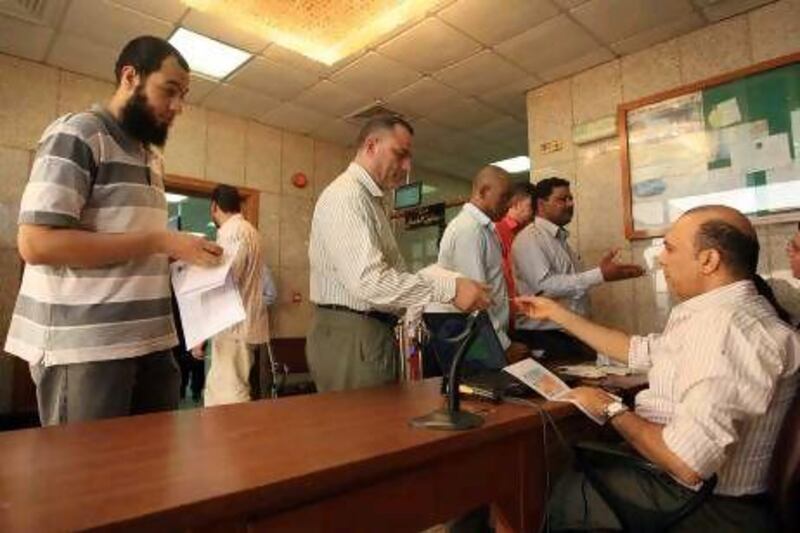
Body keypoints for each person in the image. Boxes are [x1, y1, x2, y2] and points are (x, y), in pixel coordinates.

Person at [517, 205, 800, 531]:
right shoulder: (728, 314)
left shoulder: (727, 329)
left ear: (709, 260)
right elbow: (637, 350)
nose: (661, 259)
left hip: (709, 506)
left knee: (554, 482)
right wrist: (556, 313)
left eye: (670, 247)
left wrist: (610, 408)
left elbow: (687, 461)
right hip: (698, 490)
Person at [4, 36, 222, 426]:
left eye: (184, 95)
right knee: (84, 481)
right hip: (86, 348)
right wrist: (160, 240)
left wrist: (179, 251)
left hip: (153, 343)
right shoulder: (78, 133)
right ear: (130, 77)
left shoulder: (151, 157)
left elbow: (127, 244)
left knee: (146, 477)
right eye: (169, 91)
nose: (178, 107)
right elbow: (35, 243)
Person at [307, 114, 491, 392]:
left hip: (363, 332)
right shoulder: (347, 196)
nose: (406, 167)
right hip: (353, 334)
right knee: (361, 431)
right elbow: (369, 282)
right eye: (400, 154)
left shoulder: (369, 200)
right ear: (371, 146)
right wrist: (449, 289)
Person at [512, 177, 643, 359]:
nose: (570, 204)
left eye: (571, 198)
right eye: (562, 199)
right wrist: (600, 275)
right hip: (546, 338)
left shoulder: (561, 241)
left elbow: (572, 288)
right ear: (541, 205)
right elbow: (544, 288)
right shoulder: (529, 239)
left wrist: (604, 274)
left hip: (572, 334)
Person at [438, 165, 529, 362]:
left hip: (487, 335)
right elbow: (474, 299)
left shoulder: (486, 229)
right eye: (504, 197)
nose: (508, 205)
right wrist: (503, 345)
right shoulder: (469, 230)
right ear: (483, 192)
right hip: (477, 339)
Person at [204, 184, 268, 406]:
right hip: (244, 324)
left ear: (214, 206)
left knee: (229, 393)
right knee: (227, 387)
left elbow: (226, 279)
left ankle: (233, 440)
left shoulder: (233, 232)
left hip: (233, 327)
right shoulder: (250, 231)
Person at [494, 181, 536, 307]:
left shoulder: (530, 231)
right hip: (509, 308)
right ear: (517, 203)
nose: (535, 211)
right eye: (531, 206)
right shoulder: (496, 231)